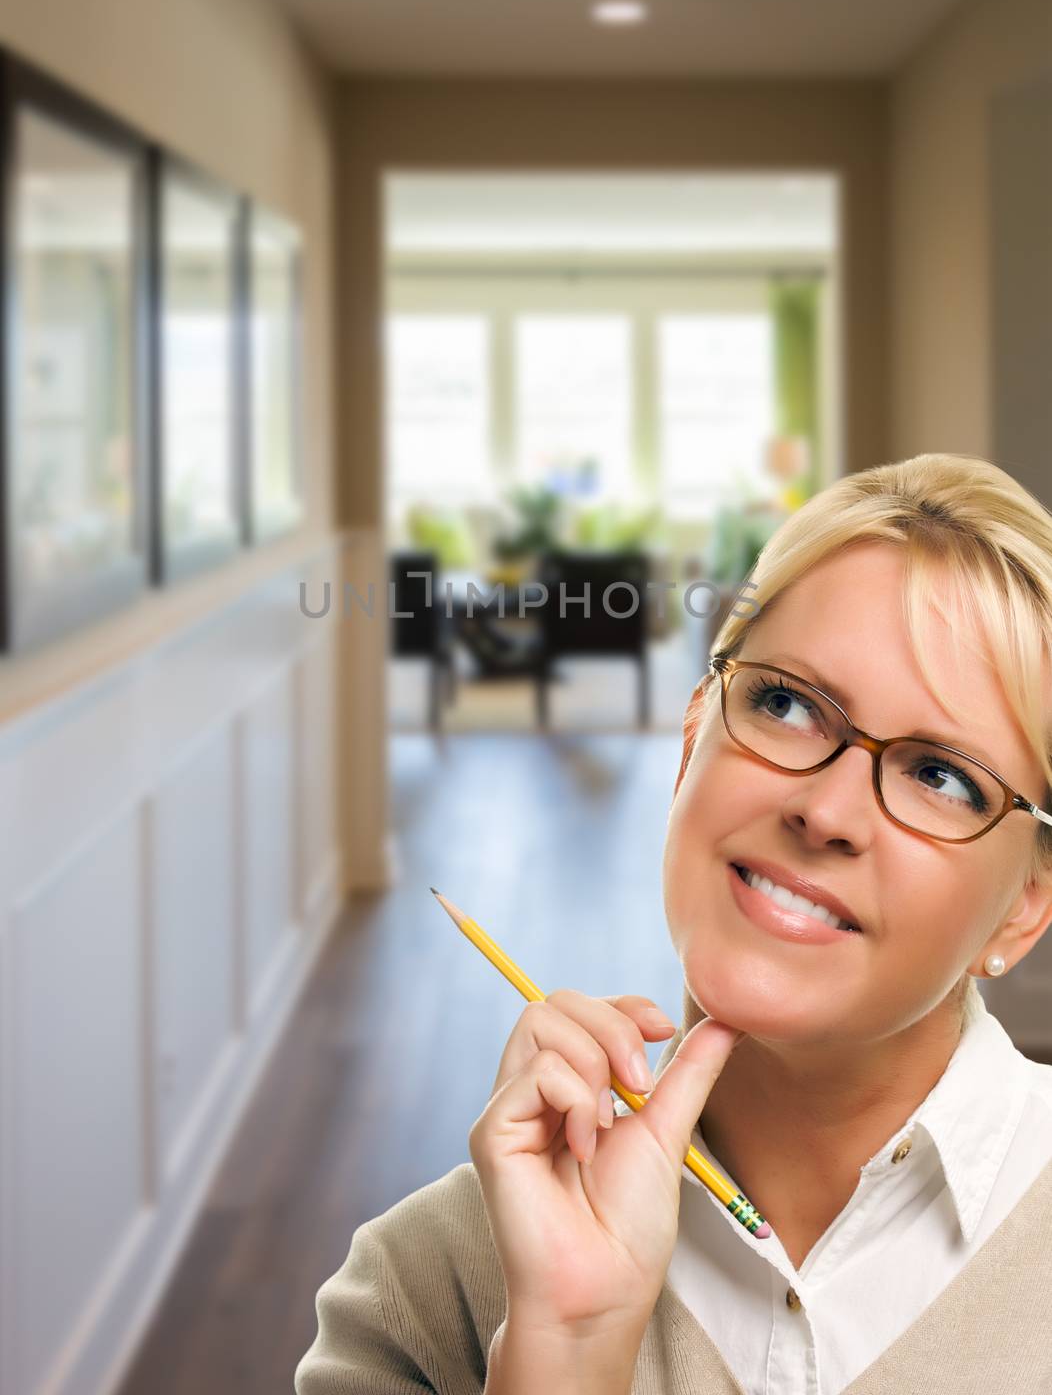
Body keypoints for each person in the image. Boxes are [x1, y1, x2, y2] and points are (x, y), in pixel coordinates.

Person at [295, 453, 1052, 1394]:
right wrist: (564, 1353)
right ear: (697, 738)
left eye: (940, 775)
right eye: (787, 704)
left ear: (1024, 908)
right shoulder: (423, 1288)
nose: (825, 812)